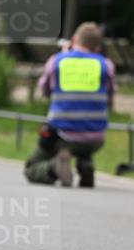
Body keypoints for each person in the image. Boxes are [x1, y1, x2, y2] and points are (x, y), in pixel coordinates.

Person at [24, 22, 116, 188]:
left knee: (31, 168)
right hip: (96, 138)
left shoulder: (57, 62)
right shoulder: (106, 66)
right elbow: (110, 96)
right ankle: (85, 163)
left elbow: (44, 91)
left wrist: (63, 55)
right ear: (97, 46)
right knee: (84, 140)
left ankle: (54, 167)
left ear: (73, 40)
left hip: (63, 135)